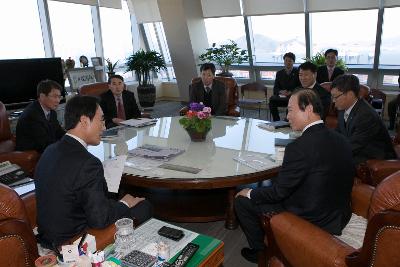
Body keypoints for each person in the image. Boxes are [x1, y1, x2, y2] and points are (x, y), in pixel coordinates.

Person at [235, 89, 355, 263]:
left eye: (291, 110)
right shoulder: (341, 139)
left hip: (312, 219)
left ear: (308, 109)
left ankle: (261, 252)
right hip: (339, 214)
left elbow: (278, 193)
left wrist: (249, 192)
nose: (287, 116)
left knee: (242, 200)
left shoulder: (298, 148)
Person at [35, 95, 153, 248]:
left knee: (113, 195)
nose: (104, 127)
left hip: (49, 234)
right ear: (84, 121)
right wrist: (125, 203)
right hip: (72, 240)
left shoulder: (50, 150)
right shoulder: (88, 163)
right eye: (101, 120)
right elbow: (99, 219)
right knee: (144, 206)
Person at [331, 74, 396, 165]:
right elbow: (338, 133)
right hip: (357, 150)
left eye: (335, 97)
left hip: (375, 159)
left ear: (350, 94)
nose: (333, 101)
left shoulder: (366, 116)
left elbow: (352, 146)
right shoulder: (343, 108)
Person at [16, 79, 65, 153]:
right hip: (31, 155)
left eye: (59, 97)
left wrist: (73, 138)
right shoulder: (31, 116)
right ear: (42, 96)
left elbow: (58, 132)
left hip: (47, 149)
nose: (58, 100)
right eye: (55, 96)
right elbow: (43, 143)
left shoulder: (51, 112)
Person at [269, 52, 301, 121]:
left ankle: (287, 121)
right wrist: (281, 91)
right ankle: (276, 120)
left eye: (290, 61)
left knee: (290, 107)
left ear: (293, 62)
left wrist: (291, 92)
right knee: (271, 101)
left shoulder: (298, 72)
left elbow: (300, 87)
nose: (287, 62)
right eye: (286, 60)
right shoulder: (279, 73)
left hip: (293, 98)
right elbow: (275, 88)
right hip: (282, 98)